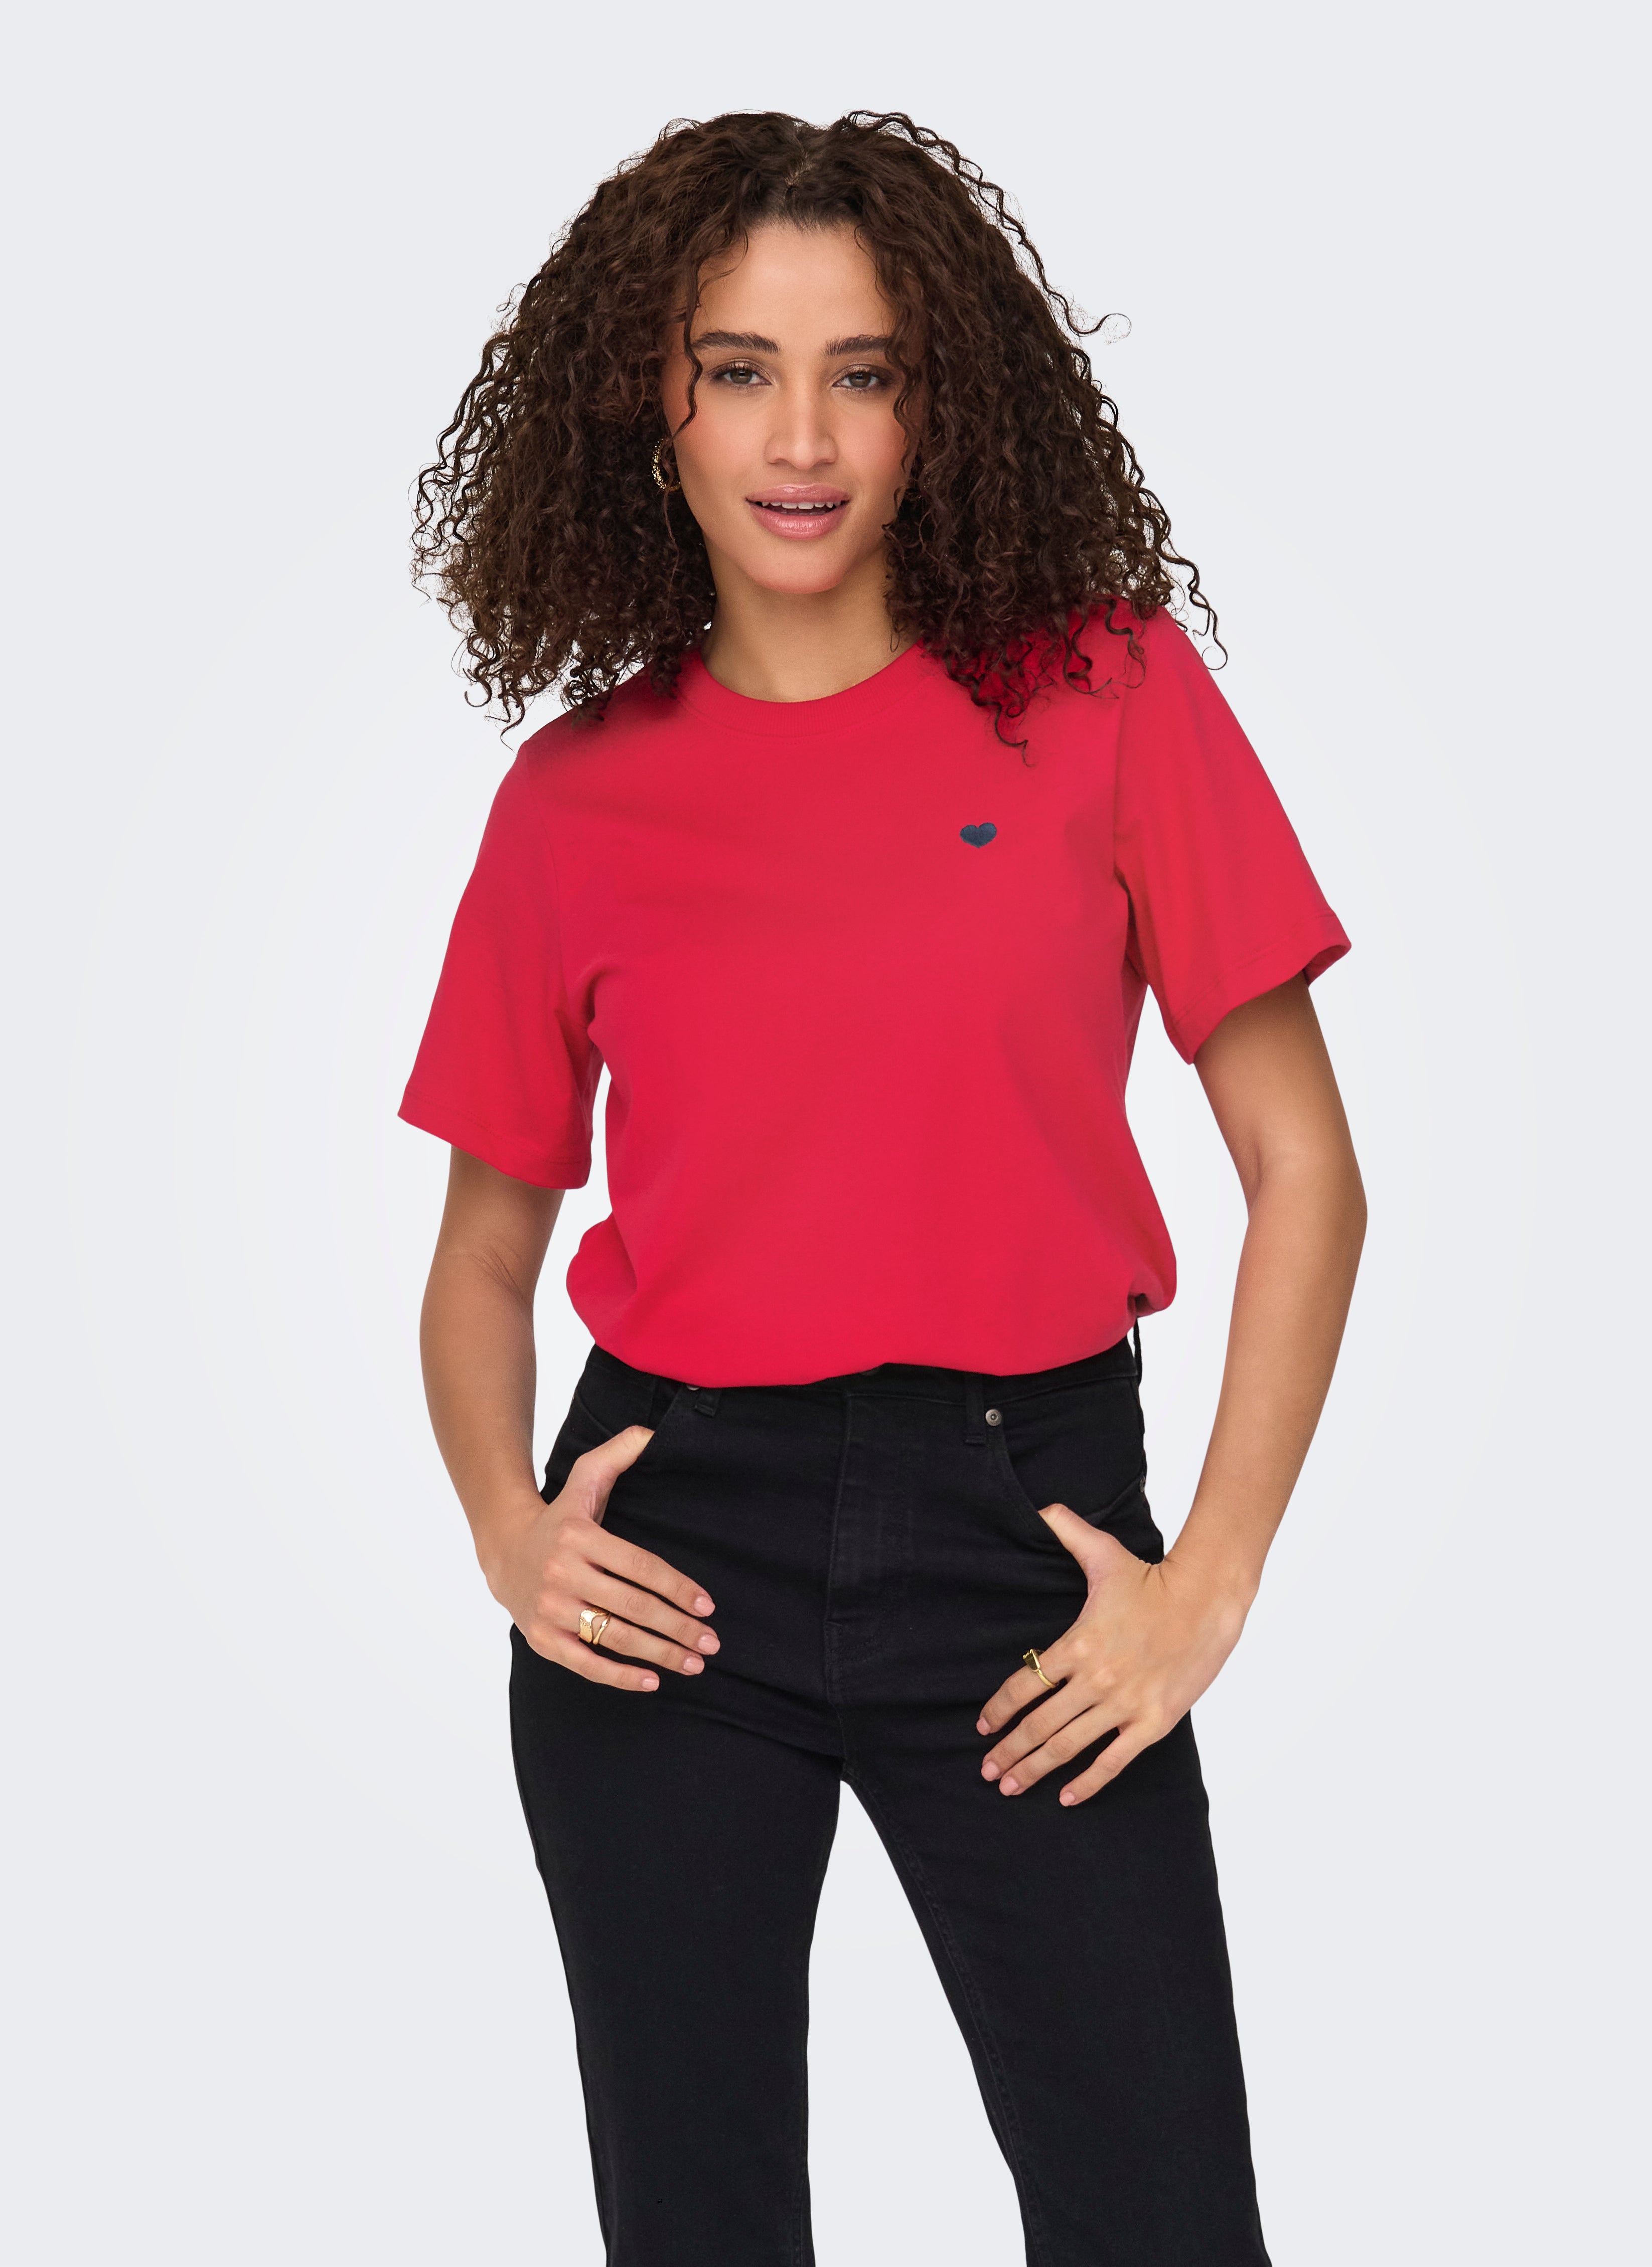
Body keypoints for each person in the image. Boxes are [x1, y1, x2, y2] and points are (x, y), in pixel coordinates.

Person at [399, 109, 1366, 2267]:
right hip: (671, 1551)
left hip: (1028, 1535)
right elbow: (481, 1259)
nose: (802, 438)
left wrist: (1205, 1577)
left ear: (944, 400)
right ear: (648, 403)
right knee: (698, 2225)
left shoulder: (1108, 697)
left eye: (864, 371)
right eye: (738, 369)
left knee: (1160, 2221)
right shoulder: (573, 802)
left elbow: (1305, 1168)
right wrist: (506, 1529)